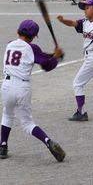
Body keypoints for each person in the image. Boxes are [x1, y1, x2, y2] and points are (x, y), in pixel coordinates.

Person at [1, 20, 65, 161]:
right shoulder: (32, 48)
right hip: (22, 88)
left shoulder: (10, 44)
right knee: (27, 123)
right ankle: (48, 142)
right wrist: (56, 58)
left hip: (6, 86)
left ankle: (3, 145)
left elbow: (38, 56)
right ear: (34, 36)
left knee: (7, 114)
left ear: (18, 32)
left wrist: (53, 55)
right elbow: (46, 65)